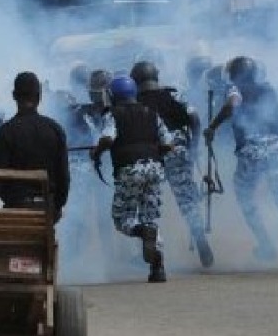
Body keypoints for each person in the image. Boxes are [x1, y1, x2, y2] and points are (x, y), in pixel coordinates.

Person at [204, 56, 278, 269]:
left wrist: (212, 126)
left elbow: (232, 105)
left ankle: (266, 244)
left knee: (245, 196)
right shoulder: (269, 89)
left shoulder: (235, 89)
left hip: (252, 150)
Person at [130, 59, 214, 268]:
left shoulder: (134, 102)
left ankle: (150, 252)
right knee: (187, 199)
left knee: (147, 204)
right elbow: (194, 119)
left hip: (150, 154)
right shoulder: (173, 94)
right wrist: (194, 148)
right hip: (178, 151)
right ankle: (201, 240)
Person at [91, 75, 173, 282]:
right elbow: (168, 144)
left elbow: (108, 137)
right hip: (155, 169)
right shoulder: (151, 113)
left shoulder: (113, 114)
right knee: (151, 218)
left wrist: (97, 152)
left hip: (130, 170)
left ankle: (143, 232)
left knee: (122, 219)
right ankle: (158, 268)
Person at [0, 71, 70, 220]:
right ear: (39, 96)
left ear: (14, 95)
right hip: (47, 211)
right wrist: (57, 206)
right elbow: (63, 176)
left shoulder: (4, 132)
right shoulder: (55, 129)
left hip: (15, 212)